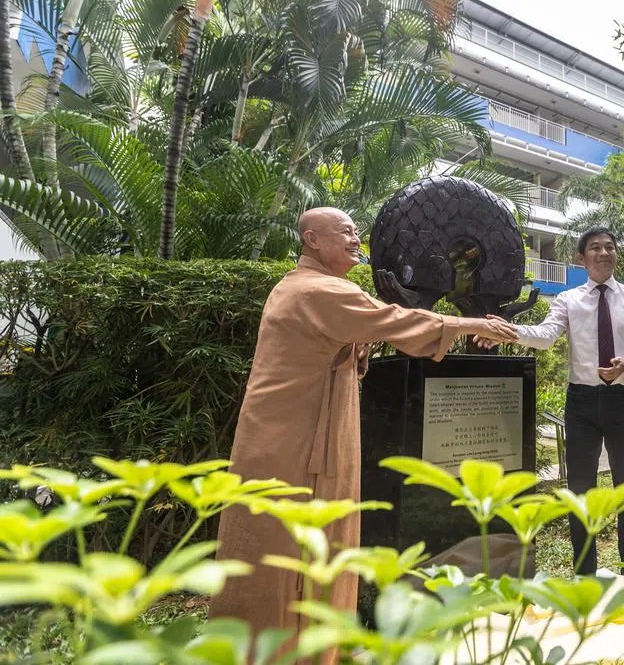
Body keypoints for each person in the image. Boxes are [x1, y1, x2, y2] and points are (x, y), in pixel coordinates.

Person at [210, 207, 517, 658]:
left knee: (315, 541)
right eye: (346, 232)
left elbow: (370, 327)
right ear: (312, 240)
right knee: (279, 543)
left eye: (357, 231)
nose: (357, 239)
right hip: (290, 441)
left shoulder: (310, 287)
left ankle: (314, 645)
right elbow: (395, 321)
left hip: (310, 430)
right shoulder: (315, 290)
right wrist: (472, 323)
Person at [480, 226, 624, 580]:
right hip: (581, 403)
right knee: (579, 489)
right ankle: (584, 575)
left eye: (610, 247)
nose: (604, 253)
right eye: (595, 248)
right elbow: (546, 337)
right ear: (581, 258)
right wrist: (508, 329)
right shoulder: (568, 299)